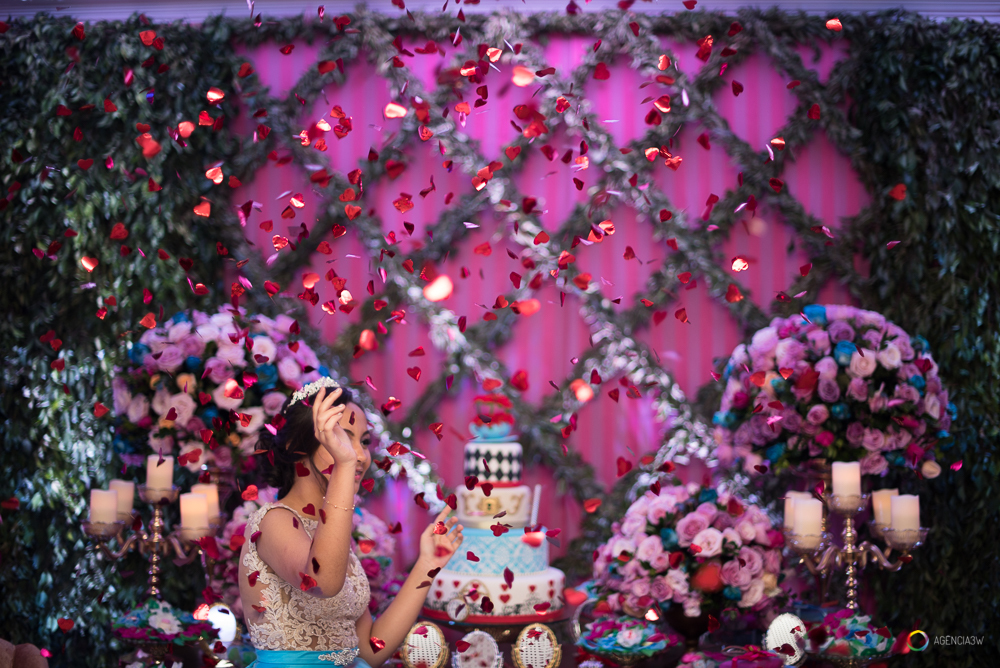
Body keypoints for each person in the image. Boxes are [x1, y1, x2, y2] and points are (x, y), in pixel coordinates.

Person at [238, 378, 463, 667]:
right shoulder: (273, 522)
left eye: (364, 441)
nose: (359, 455)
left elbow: (369, 650)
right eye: (340, 437)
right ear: (297, 447)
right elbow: (322, 581)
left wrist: (427, 565)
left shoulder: (331, 534)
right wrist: (344, 464)